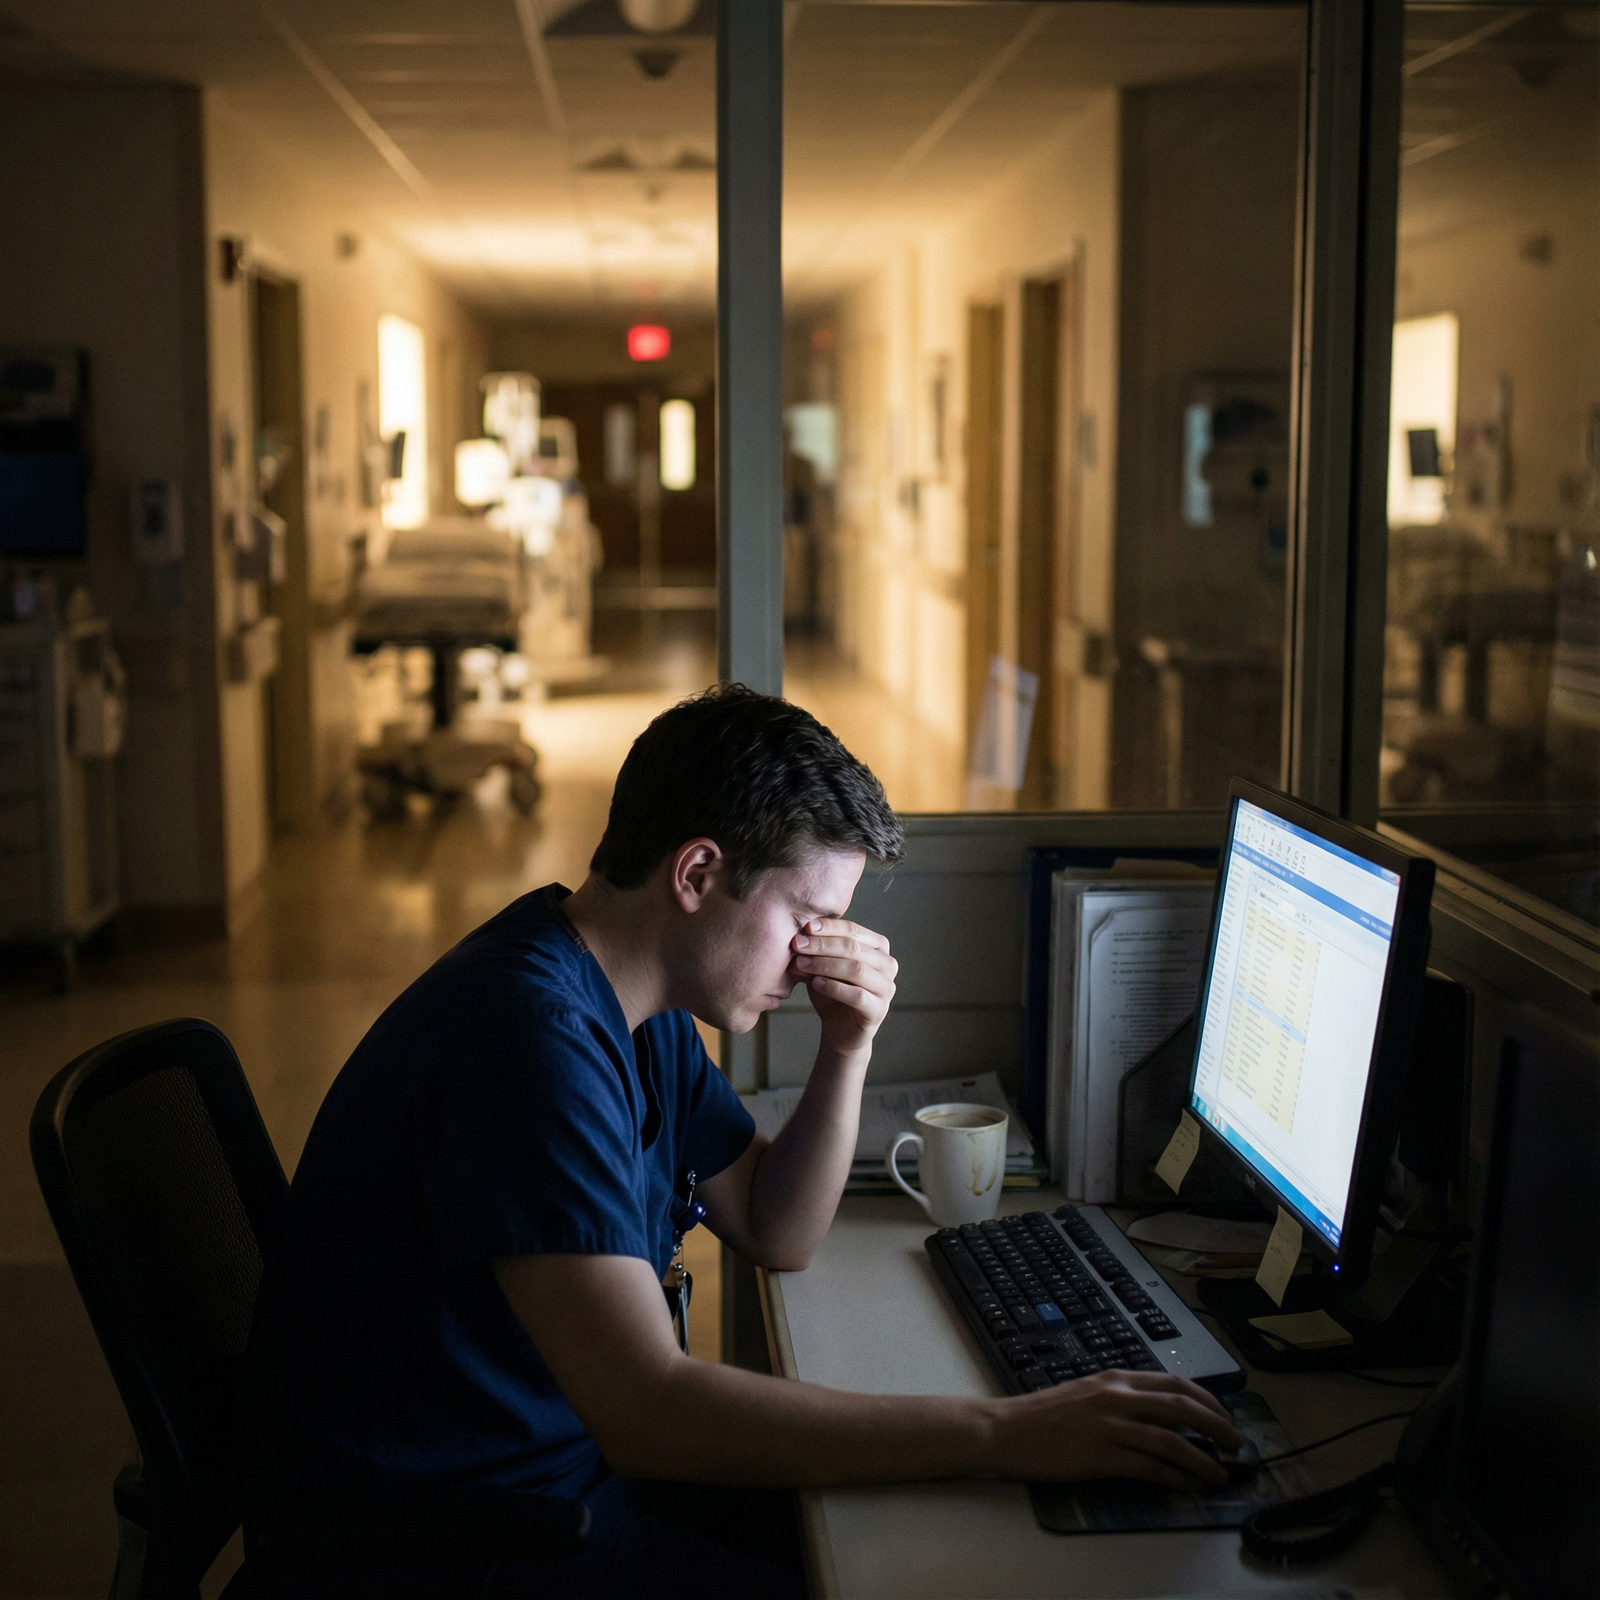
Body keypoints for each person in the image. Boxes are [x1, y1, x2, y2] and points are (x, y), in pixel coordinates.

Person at [244, 684, 1241, 1597]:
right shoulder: (529, 1043)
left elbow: (776, 1226)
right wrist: (1003, 1430)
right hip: (464, 1542)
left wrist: (847, 1043)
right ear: (697, 872)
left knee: (910, 1529)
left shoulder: (643, 1008)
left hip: (565, 1477)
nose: (820, 956)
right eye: (809, 916)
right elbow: (650, 1409)